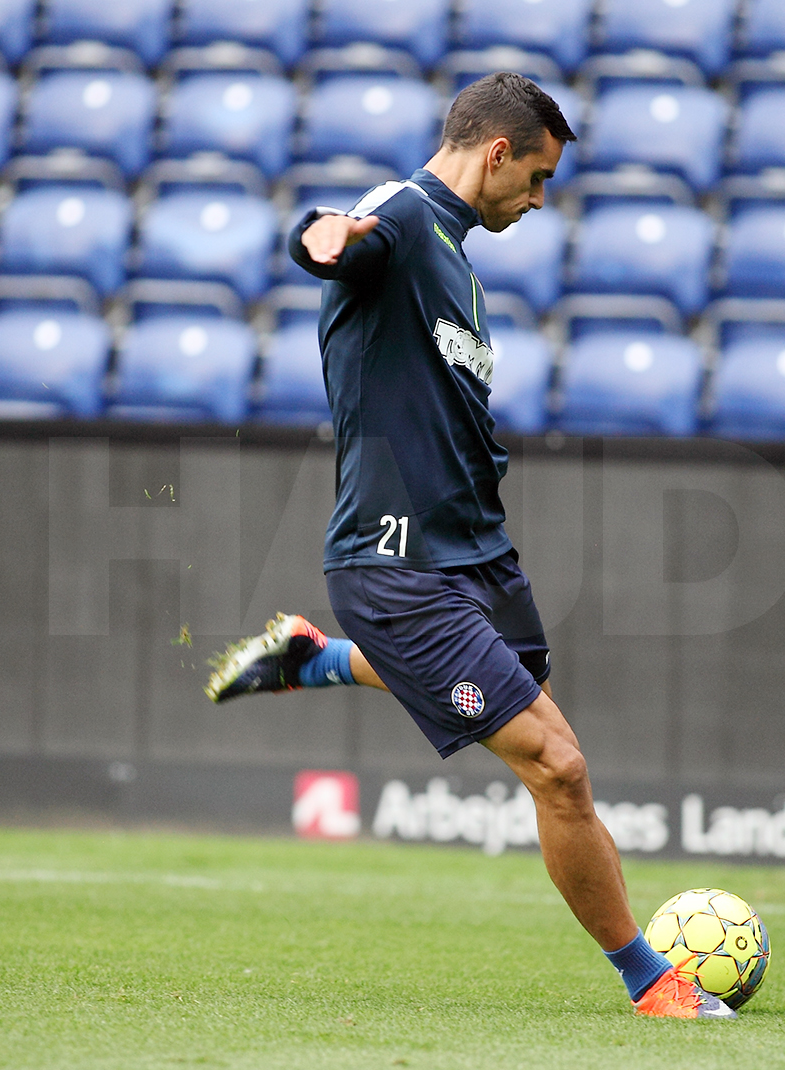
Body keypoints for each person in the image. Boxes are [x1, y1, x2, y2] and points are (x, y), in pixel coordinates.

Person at [203, 73, 734, 1020]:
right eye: (535, 180)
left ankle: (314, 661)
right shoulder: (402, 218)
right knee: (559, 767)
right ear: (496, 152)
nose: (537, 203)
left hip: (478, 556)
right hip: (397, 562)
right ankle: (652, 983)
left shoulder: (453, 256)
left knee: (544, 734)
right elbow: (334, 236)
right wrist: (322, 238)